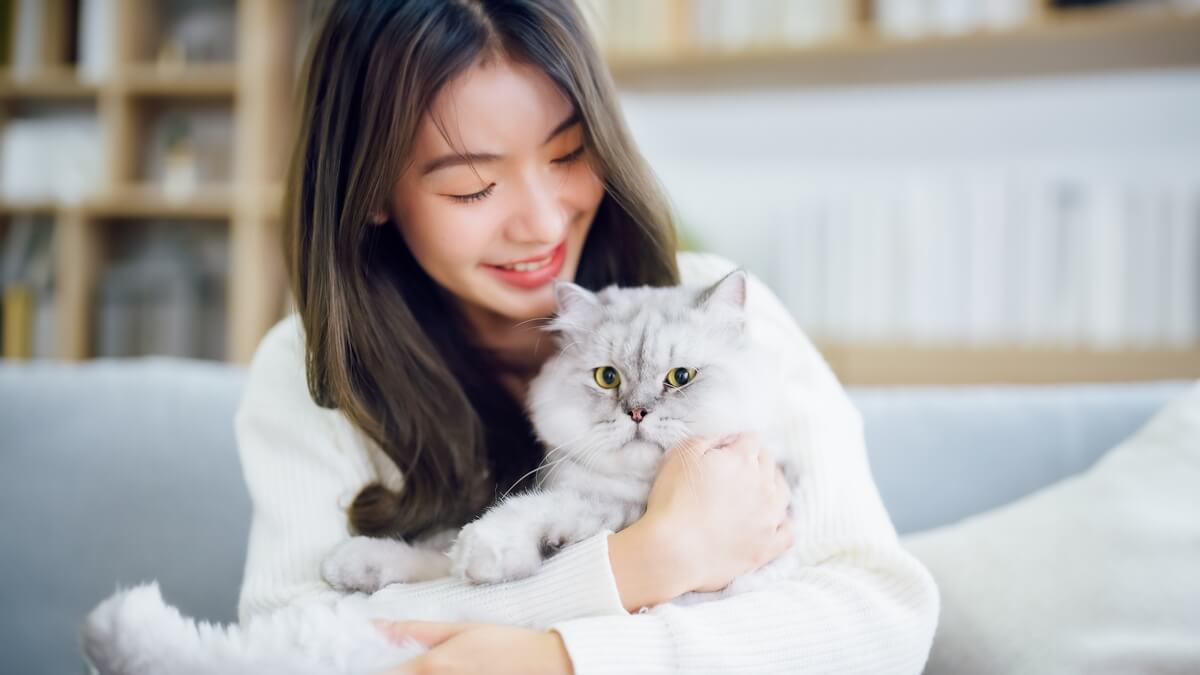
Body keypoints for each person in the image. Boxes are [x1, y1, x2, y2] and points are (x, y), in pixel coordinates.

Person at [235, 1, 939, 673]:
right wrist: (646, 561)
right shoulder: (307, 370)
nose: (541, 223)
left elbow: (882, 617)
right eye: (475, 187)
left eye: (568, 154)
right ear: (373, 193)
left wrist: (560, 659)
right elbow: (282, 645)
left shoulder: (711, 302)